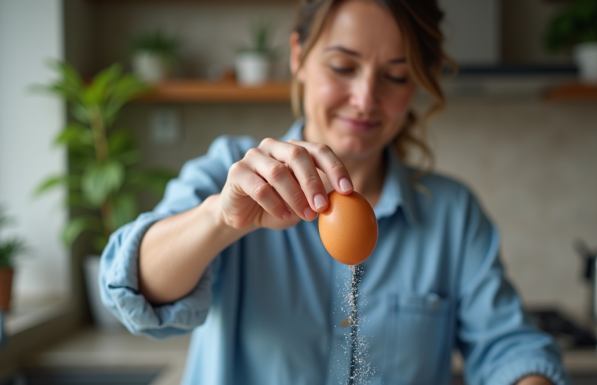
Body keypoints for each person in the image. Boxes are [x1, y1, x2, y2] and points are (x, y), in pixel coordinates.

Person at [100, 0, 571, 384]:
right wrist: (218, 220)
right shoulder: (232, 174)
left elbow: (508, 348)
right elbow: (134, 291)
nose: (366, 99)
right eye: (344, 66)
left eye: (396, 75)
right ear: (298, 57)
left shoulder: (450, 214)